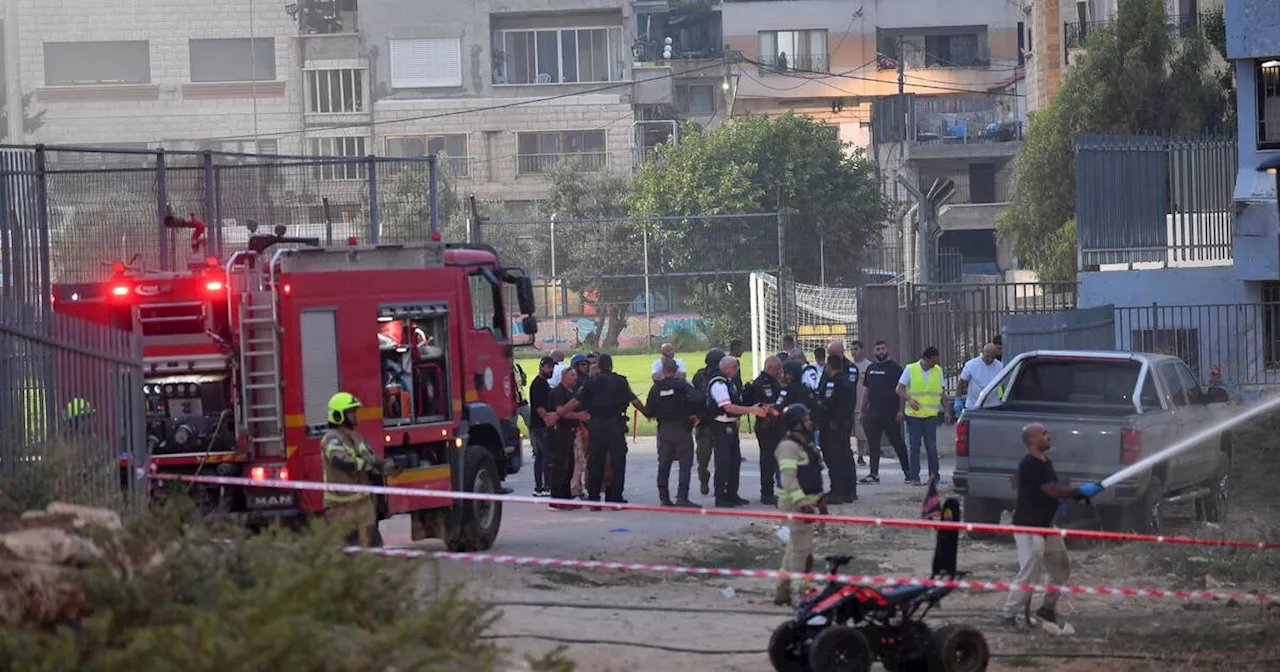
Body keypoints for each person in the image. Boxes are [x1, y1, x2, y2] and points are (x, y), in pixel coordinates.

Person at [1001, 423, 1100, 629]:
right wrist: (1079, 492)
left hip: (1046, 526)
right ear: (1032, 440)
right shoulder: (1030, 464)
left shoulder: (1045, 462)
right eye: (1044, 434)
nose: (1049, 437)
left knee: (1061, 568)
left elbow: (1050, 492)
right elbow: (1052, 490)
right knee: (1030, 570)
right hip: (1029, 527)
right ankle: (1009, 615)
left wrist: (1063, 500)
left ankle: (1046, 609)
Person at [320, 392, 396, 546]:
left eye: (355, 411)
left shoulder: (356, 437)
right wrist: (365, 464)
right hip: (341, 510)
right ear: (338, 415)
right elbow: (339, 460)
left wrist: (383, 466)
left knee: (374, 551)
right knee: (346, 556)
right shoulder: (331, 438)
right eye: (351, 412)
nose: (355, 415)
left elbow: (370, 457)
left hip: (363, 507)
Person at [772, 403, 825, 606]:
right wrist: (802, 503)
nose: (809, 422)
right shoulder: (788, 447)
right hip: (794, 506)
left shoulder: (804, 444)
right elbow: (788, 479)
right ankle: (801, 593)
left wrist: (819, 500)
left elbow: (811, 474)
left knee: (793, 550)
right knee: (801, 551)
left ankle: (782, 592)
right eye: (806, 419)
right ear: (796, 424)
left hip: (807, 506)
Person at [578, 353, 647, 506]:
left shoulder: (591, 382)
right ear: (611, 365)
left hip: (597, 425)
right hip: (615, 425)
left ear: (599, 366)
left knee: (595, 462)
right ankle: (614, 497)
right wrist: (648, 413)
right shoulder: (620, 381)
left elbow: (578, 401)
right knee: (617, 462)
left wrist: (559, 413)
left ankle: (594, 499)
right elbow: (634, 400)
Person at [707, 355, 768, 507]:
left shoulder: (729, 383)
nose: (737, 370)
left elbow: (736, 403)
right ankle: (721, 496)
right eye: (734, 367)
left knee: (734, 462)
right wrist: (752, 410)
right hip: (721, 426)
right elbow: (727, 407)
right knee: (723, 463)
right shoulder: (719, 383)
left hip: (731, 425)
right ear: (726, 368)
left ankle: (732, 494)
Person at [646, 358, 701, 507]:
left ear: (662, 371)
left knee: (664, 464)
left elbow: (649, 411)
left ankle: (664, 498)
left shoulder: (656, 388)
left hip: (664, 429)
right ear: (676, 370)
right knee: (685, 465)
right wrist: (693, 413)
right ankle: (682, 497)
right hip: (682, 428)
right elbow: (698, 398)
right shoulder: (682, 385)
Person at [859, 340, 910, 485]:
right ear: (874, 351)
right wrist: (863, 411)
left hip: (891, 414)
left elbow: (901, 390)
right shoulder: (871, 368)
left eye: (883, 349)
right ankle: (873, 474)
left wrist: (901, 410)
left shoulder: (895, 368)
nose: (880, 351)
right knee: (873, 445)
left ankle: (908, 472)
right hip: (873, 413)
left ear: (887, 350)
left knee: (898, 443)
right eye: (878, 349)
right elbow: (866, 391)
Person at [896, 347, 948, 486]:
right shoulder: (911, 369)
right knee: (914, 446)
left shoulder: (938, 371)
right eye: (934, 359)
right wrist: (909, 400)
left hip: (931, 415)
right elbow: (899, 389)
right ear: (927, 359)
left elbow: (942, 393)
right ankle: (914, 477)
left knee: (931, 447)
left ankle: (934, 476)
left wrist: (947, 410)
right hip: (914, 415)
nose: (936, 362)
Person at [817, 354, 858, 504]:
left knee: (834, 459)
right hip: (845, 424)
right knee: (846, 456)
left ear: (829, 367)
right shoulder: (848, 382)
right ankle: (850, 491)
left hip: (832, 426)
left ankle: (837, 491)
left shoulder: (832, 383)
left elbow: (826, 404)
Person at [545, 367, 589, 510]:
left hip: (570, 432)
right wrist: (579, 416)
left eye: (576, 375)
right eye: (572, 375)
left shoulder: (572, 392)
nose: (575, 377)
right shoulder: (558, 392)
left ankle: (566, 496)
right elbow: (560, 413)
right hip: (559, 432)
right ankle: (556, 499)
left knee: (569, 465)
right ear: (564, 376)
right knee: (559, 466)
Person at [747, 356, 784, 506]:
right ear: (769, 368)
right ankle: (767, 493)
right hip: (766, 426)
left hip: (777, 426)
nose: (779, 371)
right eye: (777, 369)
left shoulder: (775, 381)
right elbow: (764, 405)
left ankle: (777, 490)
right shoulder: (761, 383)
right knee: (768, 460)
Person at [692, 348, 726, 496]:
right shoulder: (699, 376)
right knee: (703, 456)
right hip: (704, 423)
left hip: (719, 421)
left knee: (722, 457)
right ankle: (704, 479)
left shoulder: (724, 376)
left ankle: (721, 486)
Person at [527, 356, 555, 497]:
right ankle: (546, 486)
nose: (551, 370)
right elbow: (539, 407)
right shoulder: (539, 384)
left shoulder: (542, 383)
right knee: (546, 456)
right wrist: (548, 420)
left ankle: (539, 487)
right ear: (541, 367)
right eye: (549, 367)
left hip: (536, 426)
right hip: (540, 426)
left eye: (552, 367)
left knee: (540, 456)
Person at [957, 343, 1004, 416]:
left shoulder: (1000, 366)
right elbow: (961, 383)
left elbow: (1001, 385)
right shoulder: (972, 365)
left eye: (993, 357)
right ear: (983, 353)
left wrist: (1001, 398)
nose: (990, 359)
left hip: (993, 405)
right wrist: (958, 399)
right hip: (973, 405)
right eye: (988, 356)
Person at [851, 340, 873, 467]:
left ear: (862, 349)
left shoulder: (868, 366)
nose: (853, 352)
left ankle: (861, 455)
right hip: (850, 404)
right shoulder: (849, 366)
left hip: (861, 404)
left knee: (861, 433)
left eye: (856, 349)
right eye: (852, 349)